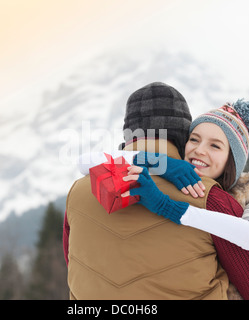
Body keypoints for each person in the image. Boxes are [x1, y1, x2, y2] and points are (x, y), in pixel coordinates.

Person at [64, 82, 231, 299]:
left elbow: (73, 263)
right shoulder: (206, 193)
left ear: (128, 136)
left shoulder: (78, 192)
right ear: (183, 136)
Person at [120, 99, 249, 299]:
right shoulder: (177, 179)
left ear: (231, 159)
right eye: (194, 139)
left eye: (215, 146)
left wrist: (165, 205)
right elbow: (87, 161)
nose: (199, 150)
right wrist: (162, 163)